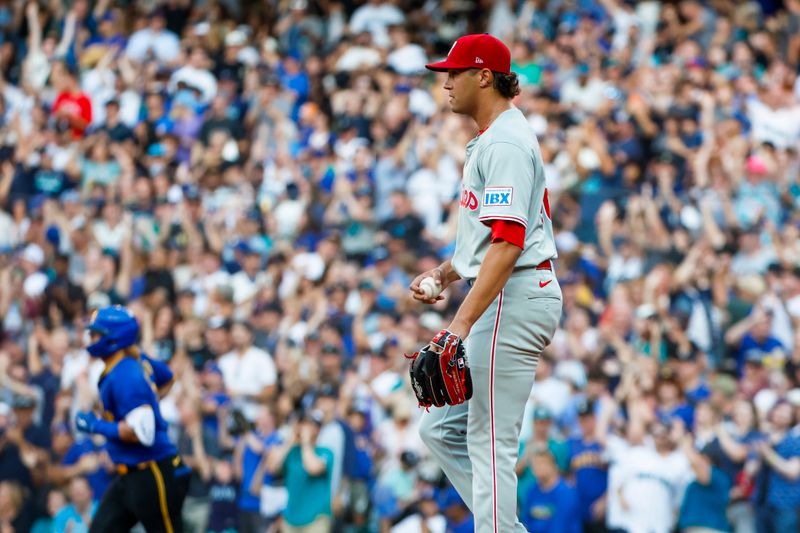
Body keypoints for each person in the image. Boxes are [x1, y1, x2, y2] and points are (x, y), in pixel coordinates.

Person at [412, 33, 562, 532]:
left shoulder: (506, 142)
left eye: (454, 72)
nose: (446, 82)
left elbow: (509, 243)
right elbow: (491, 241)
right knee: (440, 429)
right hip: (508, 289)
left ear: (483, 76)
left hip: (512, 296)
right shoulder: (494, 138)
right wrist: (444, 272)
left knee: (488, 438)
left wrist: (457, 325)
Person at [74, 306, 189, 532]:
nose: (91, 338)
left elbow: (140, 434)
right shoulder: (130, 360)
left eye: (97, 334)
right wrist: (150, 401)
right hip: (129, 474)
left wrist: (95, 425)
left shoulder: (126, 375)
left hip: (153, 472)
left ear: (114, 337)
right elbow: (167, 378)